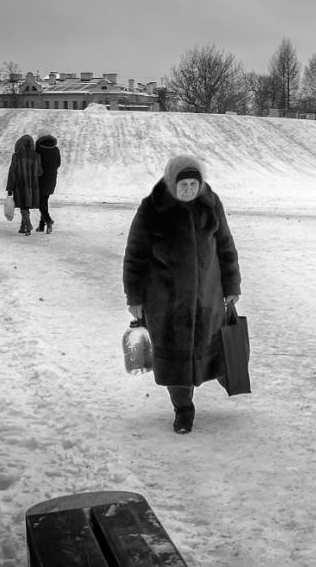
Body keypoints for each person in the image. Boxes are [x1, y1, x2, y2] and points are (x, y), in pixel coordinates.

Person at [123, 155, 241, 435]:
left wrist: (232, 286)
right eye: (182, 184)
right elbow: (135, 256)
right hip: (165, 301)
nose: (188, 189)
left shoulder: (211, 205)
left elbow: (225, 247)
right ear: (171, 182)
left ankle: (225, 379)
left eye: (193, 183)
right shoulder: (152, 209)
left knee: (210, 348)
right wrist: (134, 298)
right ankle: (183, 409)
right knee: (175, 358)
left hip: (207, 298)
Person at [5, 134, 41, 236]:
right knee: (26, 206)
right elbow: (40, 172)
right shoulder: (36, 156)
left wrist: (10, 188)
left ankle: (28, 226)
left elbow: (12, 173)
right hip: (33, 186)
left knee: (23, 207)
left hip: (20, 185)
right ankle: (22, 227)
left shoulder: (16, 156)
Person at [35, 133, 60, 233]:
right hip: (52, 178)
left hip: (40, 179)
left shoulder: (38, 149)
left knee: (41, 203)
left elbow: (35, 164)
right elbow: (58, 163)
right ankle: (41, 226)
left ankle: (48, 221)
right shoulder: (56, 149)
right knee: (44, 201)